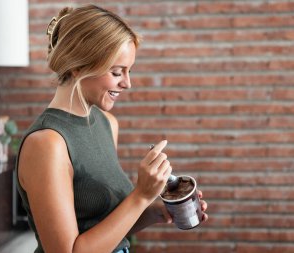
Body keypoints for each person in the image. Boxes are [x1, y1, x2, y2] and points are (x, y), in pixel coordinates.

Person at [15, 4, 208, 253]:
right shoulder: (47, 144)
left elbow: (105, 231)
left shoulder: (107, 123)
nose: (127, 83)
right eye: (117, 72)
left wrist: (154, 212)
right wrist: (140, 195)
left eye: (129, 71)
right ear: (80, 66)